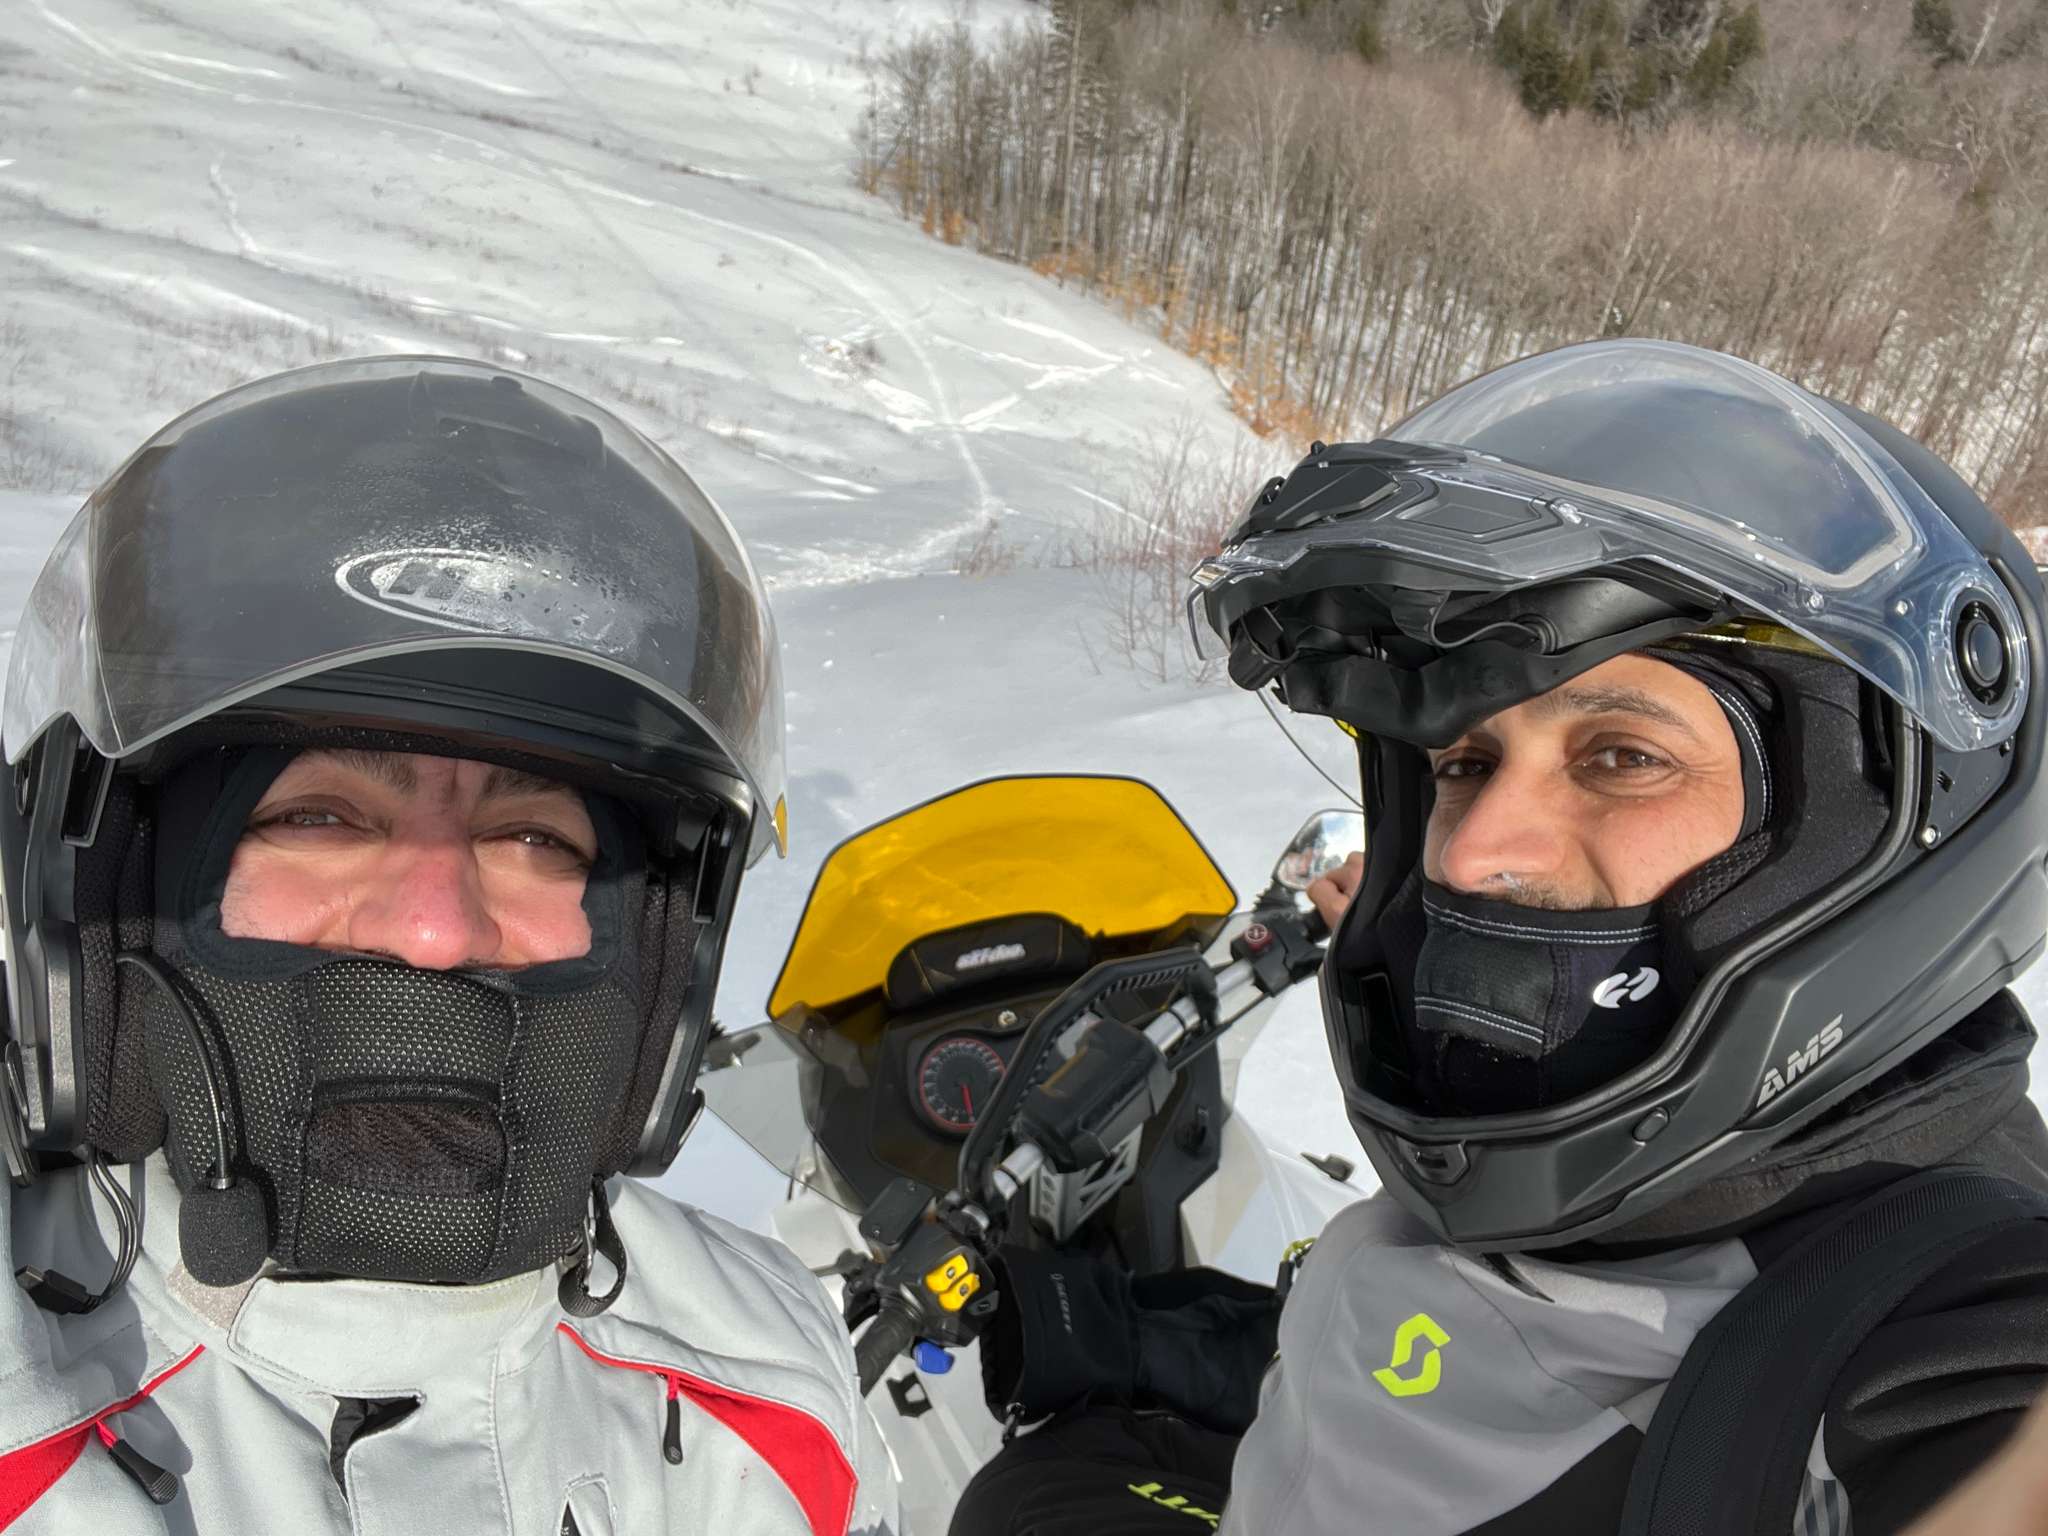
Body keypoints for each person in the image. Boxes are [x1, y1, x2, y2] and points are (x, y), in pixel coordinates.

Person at [952, 338, 2048, 1535]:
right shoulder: (1604, 1197)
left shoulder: (1948, 1354)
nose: (1472, 853)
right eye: (1463, 764)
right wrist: (1151, 1346)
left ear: (1870, 816)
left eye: (1619, 756)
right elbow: (1471, 1351)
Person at [0, 358, 899, 1534]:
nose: (433, 930)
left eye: (533, 838)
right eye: (318, 819)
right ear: (105, 897)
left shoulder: (770, 1373)